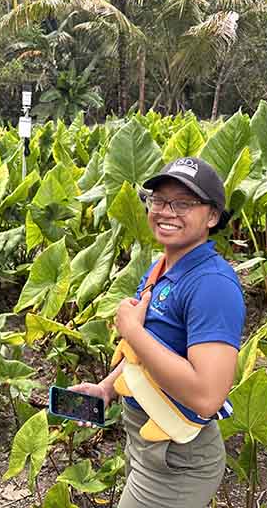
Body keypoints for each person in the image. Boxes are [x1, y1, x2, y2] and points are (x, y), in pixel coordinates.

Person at [70, 157, 246, 508]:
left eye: (183, 203)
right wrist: (106, 388)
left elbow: (207, 397)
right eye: (159, 200)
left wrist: (132, 332)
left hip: (179, 461)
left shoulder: (212, 285)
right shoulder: (163, 266)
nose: (167, 211)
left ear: (212, 216)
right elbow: (151, 349)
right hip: (148, 443)